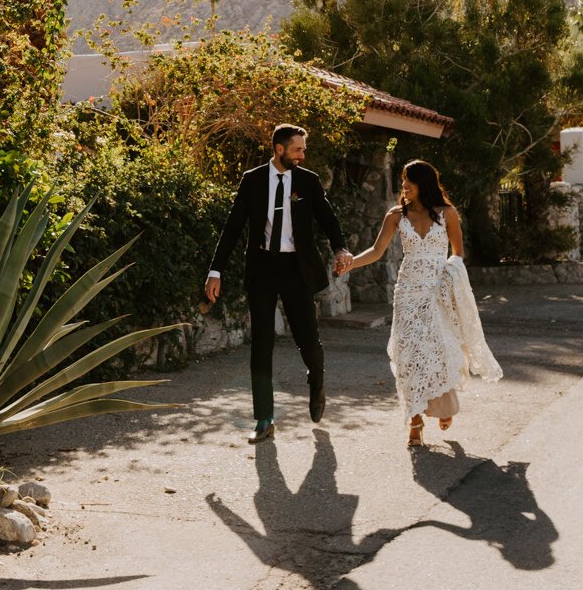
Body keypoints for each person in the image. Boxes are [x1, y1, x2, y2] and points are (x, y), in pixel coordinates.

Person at [205, 124, 353, 443]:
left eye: (303, 149)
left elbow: (329, 220)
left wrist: (341, 247)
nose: (302, 155)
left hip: (296, 269)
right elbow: (232, 228)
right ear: (280, 149)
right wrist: (215, 270)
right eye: (298, 149)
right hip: (262, 268)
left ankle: (316, 381)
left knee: (307, 340)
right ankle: (264, 419)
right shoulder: (253, 180)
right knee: (261, 344)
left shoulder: (308, 181)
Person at [342, 160, 503, 447]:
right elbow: (377, 251)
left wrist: (449, 279)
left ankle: (443, 407)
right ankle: (415, 422)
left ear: (424, 184)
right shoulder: (395, 215)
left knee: (438, 350)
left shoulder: (448, 214)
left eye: (409, 181)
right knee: (407, 352)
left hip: (437, 291)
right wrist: (352, 263)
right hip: (407, 293)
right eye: (403, 180)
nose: (404, 185)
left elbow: (458, 253)